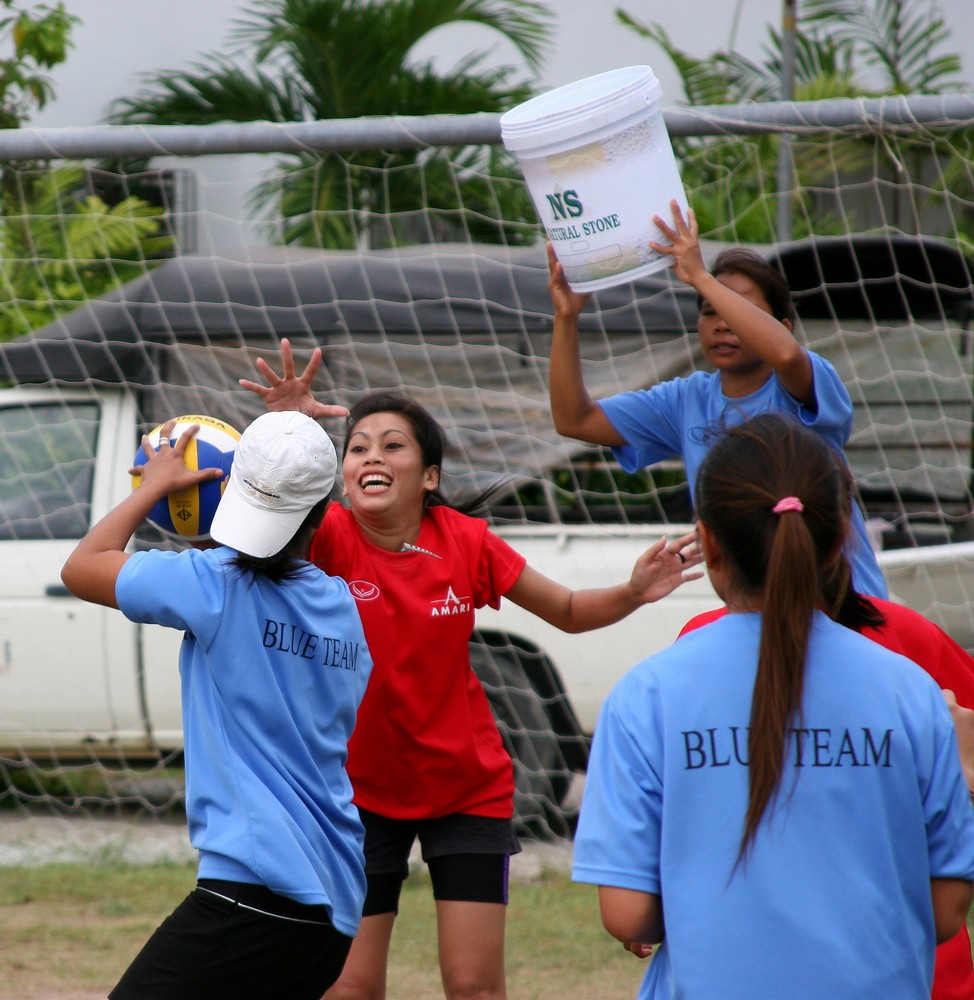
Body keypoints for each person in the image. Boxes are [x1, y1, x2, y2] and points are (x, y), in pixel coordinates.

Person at [240, 341, 703, 1000]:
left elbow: (568, 610)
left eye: (392, 445)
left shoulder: (463, 540)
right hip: (357, 790)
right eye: (357, 446)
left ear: (429, 476)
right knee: (349, 989)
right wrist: (289, 430)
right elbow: (265, 510)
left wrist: (632, 591)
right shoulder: (328, 537)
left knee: (475, 988)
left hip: (466, 786)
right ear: (341, 475)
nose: (372, 455)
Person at [571, 412, 974, 1000]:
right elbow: (944, 914)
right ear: (840, 539)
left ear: (706, 541)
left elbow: (628, 915)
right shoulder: (909, 689)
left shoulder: (648, 693)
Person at [60, 411, 374, 1000]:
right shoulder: (341, 607)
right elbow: (280, 556)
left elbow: (82, 567)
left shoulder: (213, 585)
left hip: (253, 894)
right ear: (324, 513)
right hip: (332, 910)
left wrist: (154, 487)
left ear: (229, 487)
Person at [546, 199, 888, 599]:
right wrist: (566, 317)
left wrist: (701, 278)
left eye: (740, 308)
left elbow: (785, 354)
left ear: (782, 326)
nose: (723, 323)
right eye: (709, 310)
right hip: (754, 611)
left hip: (843, 606)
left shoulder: (803, 379)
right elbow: (575, 420)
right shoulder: (685, 399)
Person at [678, 556, 974, 1000]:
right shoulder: (698, 645)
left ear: (714, 541)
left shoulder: (902, 635)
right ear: (842, 531)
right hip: (770, 961)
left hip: (907, 966)